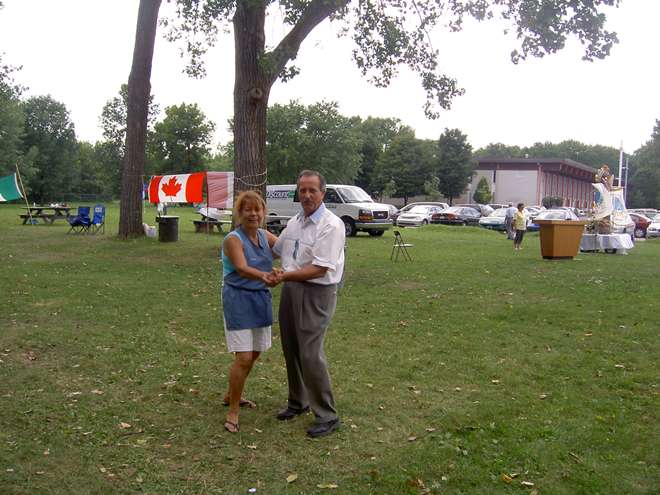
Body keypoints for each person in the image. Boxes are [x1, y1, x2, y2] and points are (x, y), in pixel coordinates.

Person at [272, 170, 346, 438]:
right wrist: (251, 229)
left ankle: (327, 415)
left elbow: (319, 269)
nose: (306, 195)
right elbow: (278, 248)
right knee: (291, 347)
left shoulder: (331, 225)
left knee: (310, 353)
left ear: (322, 193)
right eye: (302, 190)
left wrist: (284, 276)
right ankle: (298, 402)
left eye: (312, 190)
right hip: (292, 288)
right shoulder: (295, 221)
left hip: (316, 292)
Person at [221, 191, 279, 433]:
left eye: (258, 209)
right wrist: (267, 276)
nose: (253, 214)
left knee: (254, 354)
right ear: (239, 213)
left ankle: (230, 394)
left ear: (263, 213)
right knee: (243, 357)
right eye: (248, 209)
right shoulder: (233, 239)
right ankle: (233, 410)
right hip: (238, 299)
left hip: (260, 299)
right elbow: (242, 268)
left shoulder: (265, 236)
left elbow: (288, 249)